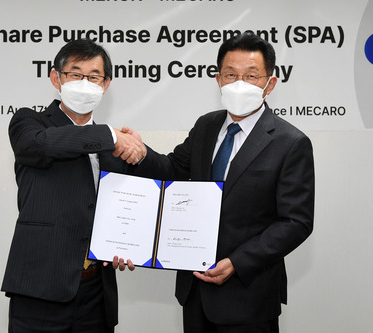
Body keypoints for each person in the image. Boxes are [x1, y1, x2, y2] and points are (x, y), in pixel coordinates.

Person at [125, 33, 315, 332]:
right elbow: (174, 169)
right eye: (231, 74)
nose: (240, 83)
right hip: (196, 292)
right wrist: (141, 151)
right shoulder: (206, 125)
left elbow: (296, 222)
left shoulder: (291, 143)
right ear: (218, 79)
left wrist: (237, 262)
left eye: (252, 75)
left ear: (271, 83)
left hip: (248, 294)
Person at [1, 38, 143, 333]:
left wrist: (127, 241)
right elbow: (39, 146)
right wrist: (110, 135)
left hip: (96, 292)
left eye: (94, 77)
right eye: (75, 74)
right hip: (40, 288)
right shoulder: (30, 122)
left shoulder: (113, 145)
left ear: (105, 85)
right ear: (56, 78)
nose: (84, 83)